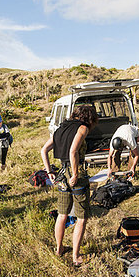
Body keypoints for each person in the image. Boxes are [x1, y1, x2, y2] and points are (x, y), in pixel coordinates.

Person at [41, 105, 99, 267]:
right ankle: (76, 256)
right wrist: (75, 174)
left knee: (62, 214)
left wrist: (49, 172)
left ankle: (59, 249)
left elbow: (44, 150)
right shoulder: (82, 128)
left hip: (61, 174)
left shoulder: (61, 128)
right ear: (90, 118)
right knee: (81, 217)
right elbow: (73, 152)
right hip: (75, 174)